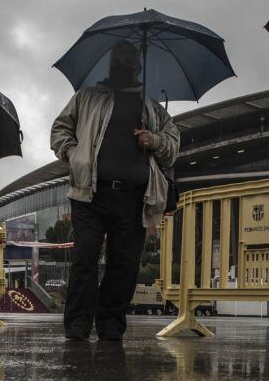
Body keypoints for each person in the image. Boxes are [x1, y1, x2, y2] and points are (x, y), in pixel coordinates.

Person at [51, 40, 181, 343]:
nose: (122, 63)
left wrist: (155, 140)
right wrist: (74, 154)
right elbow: (59, 129)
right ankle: (77, 324)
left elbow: (173, 147)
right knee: (85, 258)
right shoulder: (87, 97)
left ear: (138, 64)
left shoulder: (150, 106)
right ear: (109, 63)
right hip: (90, 193)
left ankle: (111, 324)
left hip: (136, 196)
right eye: (117, 58)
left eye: (128, 58)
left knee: (124, 263)